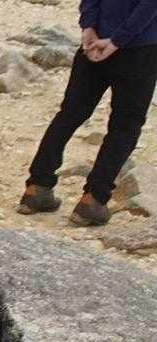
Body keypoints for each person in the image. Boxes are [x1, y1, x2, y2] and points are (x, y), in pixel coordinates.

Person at [21, 0, 157, 226]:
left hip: (95, 44)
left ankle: (37, 187)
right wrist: (117, 41)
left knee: (69, 115)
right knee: (125, 126)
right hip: (139, 49)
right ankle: (93, 199)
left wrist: (89, 28)